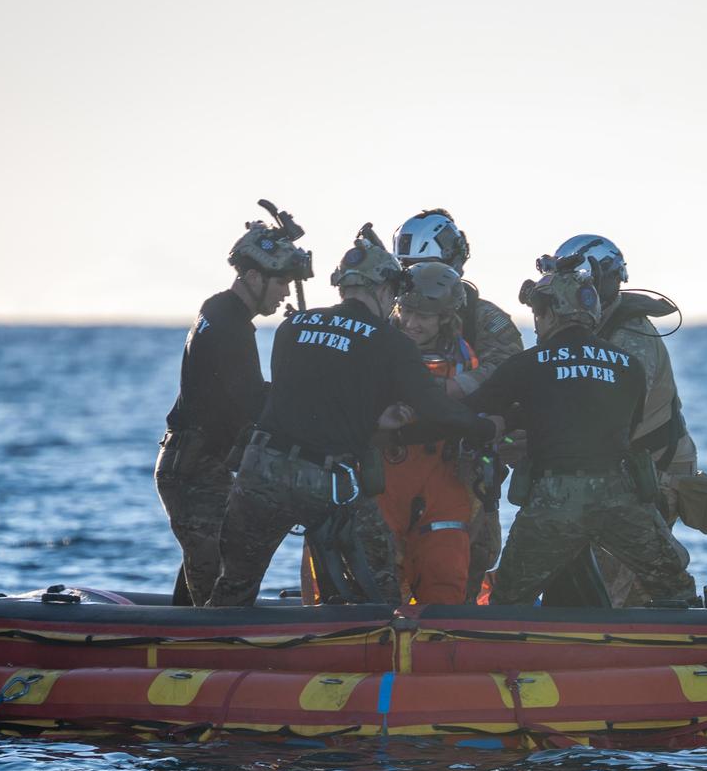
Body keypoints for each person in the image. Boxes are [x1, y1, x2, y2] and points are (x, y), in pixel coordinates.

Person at [203, 227, 499, 608]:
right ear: (382, 289)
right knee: (379, 592)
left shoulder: (292, 327)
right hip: (325, 482)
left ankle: (202, 652)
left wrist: (374, 421)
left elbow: (305, 402)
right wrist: (485, 427)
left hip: (259, 470)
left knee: (233, 588)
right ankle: (368, 647)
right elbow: (434, 407)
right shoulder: (388, 341)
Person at [464, 257, 697, 607]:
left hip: (552, 504)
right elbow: (628, 427)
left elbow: (474, 412)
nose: (537, 323)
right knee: (675, 588)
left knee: (509, 602)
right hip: (622, 500)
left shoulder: (527, 364)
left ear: (551, 314)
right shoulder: (628, 365)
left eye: (539, 314)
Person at [551, 234, 707, 602]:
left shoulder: (633, 339)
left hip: (652, 472)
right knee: (607, 575)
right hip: (616, 472)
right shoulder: (588, 332)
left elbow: (614, 411)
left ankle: (656, 634)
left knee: (621, 573)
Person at [157, 219, 310, 605]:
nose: (284, 294)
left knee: (208, 557)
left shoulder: (220, 310)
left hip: (198, 463)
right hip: (194, 470)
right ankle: (196, 641)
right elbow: (252, 400)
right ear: (254, 276)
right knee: (214, 569)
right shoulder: (231, 326)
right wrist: (305, 405)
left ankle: (181, 625)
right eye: (280, 283)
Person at [393, 208, 525, 598]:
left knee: (472, 550)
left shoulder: (487, 320)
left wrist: (457, 388)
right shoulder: (395, 318)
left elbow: (509, 369)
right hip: (401, 455)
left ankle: (459, 622)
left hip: (465, 457)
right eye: (407, 268)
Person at [376, 261, 491, 605]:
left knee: (445, 572)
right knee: (376, 572)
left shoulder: (463, 359)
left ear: (444, 317)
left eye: (423, 317)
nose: (411, 324)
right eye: (406, 312)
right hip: (384, 474)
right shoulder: (378, 347)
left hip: (444, 477)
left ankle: (442, 645)